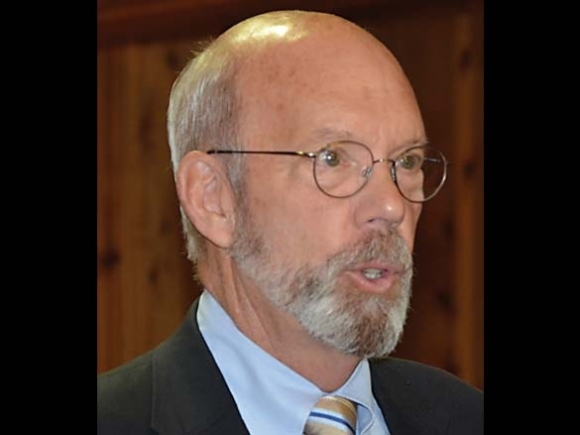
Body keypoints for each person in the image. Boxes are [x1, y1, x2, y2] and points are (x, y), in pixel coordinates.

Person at [97, 9, 483, 435]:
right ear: (213, 198)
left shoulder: (465, 417)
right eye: (332, 158)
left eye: (407, 161)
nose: (393, 206)